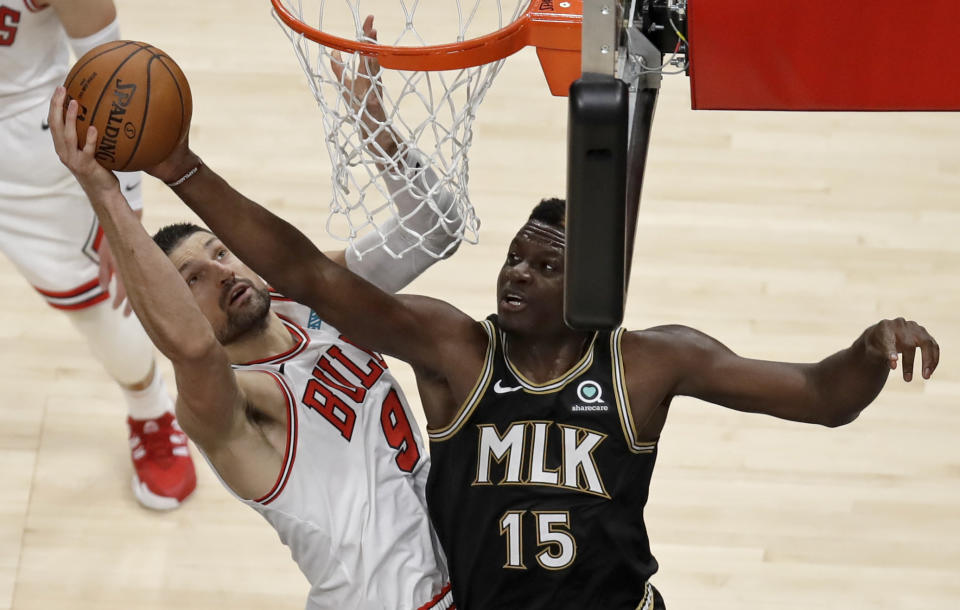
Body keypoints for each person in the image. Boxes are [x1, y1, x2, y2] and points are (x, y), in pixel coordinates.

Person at [52, 24, 941, 610]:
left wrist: (867, 349)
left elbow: (823, 395)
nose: (513, 270)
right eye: (514, 255)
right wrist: (162, 175)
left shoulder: (647, 363)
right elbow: (291, 282)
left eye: (542, 264)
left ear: (588, 284)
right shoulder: (444, 350)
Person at [46, 32, 461, 605]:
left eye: (219, 253)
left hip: (466, 573)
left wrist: (377, 128)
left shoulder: (314, 302)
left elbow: (435, 229)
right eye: (192, 280)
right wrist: (103, 191)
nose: (220, 274)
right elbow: (191, 348)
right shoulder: (232, 402)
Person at [0, 0, 195, 508]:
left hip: (24, 162)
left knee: (101, 305)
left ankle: (151, 412)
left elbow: (113, 69)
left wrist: (123, 211)